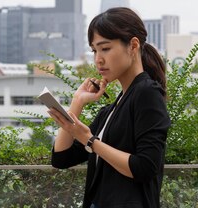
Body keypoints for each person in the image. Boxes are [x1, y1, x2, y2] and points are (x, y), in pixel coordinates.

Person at [48, 7, 170, 208]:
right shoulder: (111, 110)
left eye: (105, 48)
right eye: (94, 50)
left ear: (133, 45)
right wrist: (77, 102)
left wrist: (90, 140)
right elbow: (61, 158)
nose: (98, 59)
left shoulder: (147, 93)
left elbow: (145, 167)